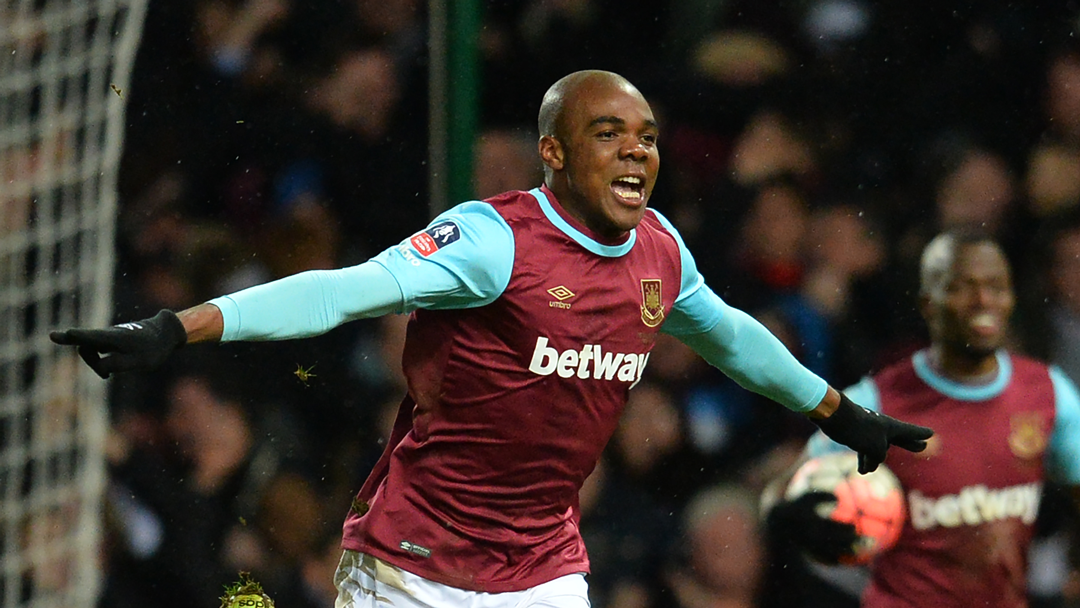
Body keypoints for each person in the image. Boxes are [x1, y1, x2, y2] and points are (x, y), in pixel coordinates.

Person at [50, 70, 932, 608]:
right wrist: (179, 327)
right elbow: (342, 293)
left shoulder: (660, 251)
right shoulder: (492, 241)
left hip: (542, 564)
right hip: (411, 566)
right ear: (552, 152)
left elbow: (733, 337)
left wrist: (840, 412)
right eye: (608, 133)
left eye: (649, 138)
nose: (636, 153)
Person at [766, 228, 1080, 608]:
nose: (983, 300)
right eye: (964, 287)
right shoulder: (878, 401)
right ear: (929, 302)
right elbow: (784, 494)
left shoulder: (1046, 393)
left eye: (996, 286)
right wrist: (794, 514)